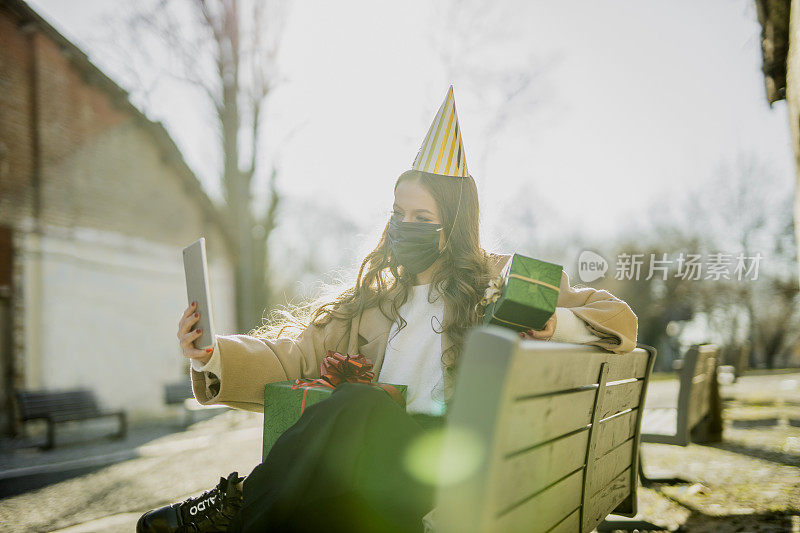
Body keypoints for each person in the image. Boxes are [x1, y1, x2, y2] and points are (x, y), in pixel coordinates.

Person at [137, 86, 638, 533]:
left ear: (456, 225)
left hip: (449, 472)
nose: (405, 226)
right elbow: (294, 357)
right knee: (339, 453)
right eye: (399, 214)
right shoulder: (374, 301)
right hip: (374, 473)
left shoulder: (502, 280)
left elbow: (619, 320)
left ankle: (235, 509)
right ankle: (240, 515)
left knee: (359, 405)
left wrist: (554, 321)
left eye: (423, 217)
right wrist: (211, 354)